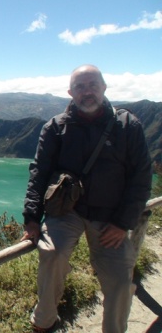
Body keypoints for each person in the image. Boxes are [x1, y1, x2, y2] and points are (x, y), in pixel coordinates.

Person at [20, 64, 153, 333]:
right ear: (70, 92)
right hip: (68, 210)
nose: (87, 92)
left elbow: (141, 178)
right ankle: (44, 322)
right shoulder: (56, 128)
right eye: (80, 87)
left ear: (104, 87)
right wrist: (31, 218)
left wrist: (122, 223)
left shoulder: (128, 126)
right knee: (52, 255)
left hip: (111, 217)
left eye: (92, 85)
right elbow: (39, 172)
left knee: (119, 281)